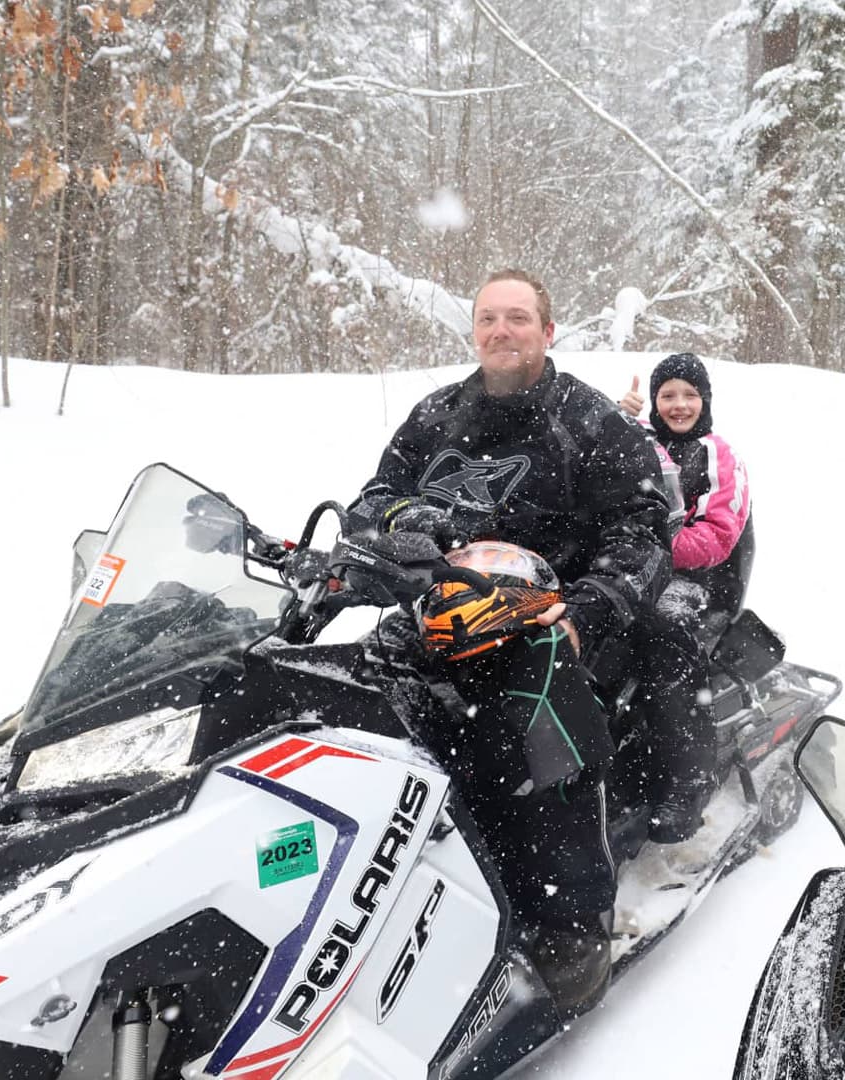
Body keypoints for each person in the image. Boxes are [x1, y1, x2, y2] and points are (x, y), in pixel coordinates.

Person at [343, 268, 672, 1012]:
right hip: (446, 613)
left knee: (535, 708)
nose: (501, 331)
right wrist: (399, 531)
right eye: (488, 318)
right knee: (358, 684)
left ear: (547, 331)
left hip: (556, 614)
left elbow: (644, 527)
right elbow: (374, 500)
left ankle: (572, 917)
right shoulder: (435, 415)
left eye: (518, 318)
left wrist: (590, 608)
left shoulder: (587, 421)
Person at [615, 353, 754, 840]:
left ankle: (688, 779)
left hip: (698, 581)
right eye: (667, 395)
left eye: (688, 395)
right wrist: (618, 418)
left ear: (704, 400)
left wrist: (650, 550)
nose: (678, 405)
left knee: (662, 639)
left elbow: (717, 536)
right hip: (631, 567)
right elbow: (594, 473)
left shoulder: (716, 454)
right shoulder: (640, 443)